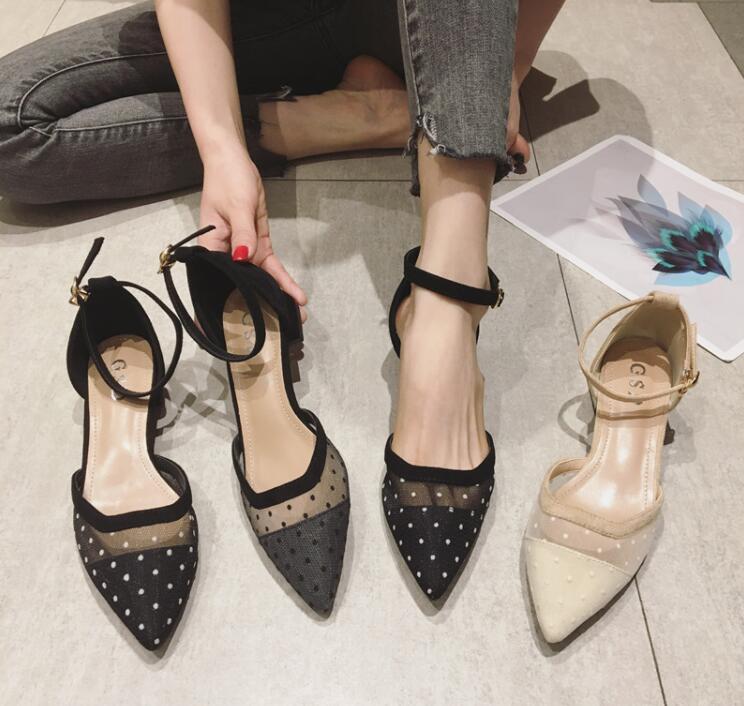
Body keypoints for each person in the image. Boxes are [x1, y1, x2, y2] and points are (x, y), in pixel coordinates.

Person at [0, 0, 564, 564]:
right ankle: (367, 117)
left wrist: (505, 75)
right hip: (271, 18)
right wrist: (222, 150)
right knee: (11, 125)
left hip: (438, 22)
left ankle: (446, 299)